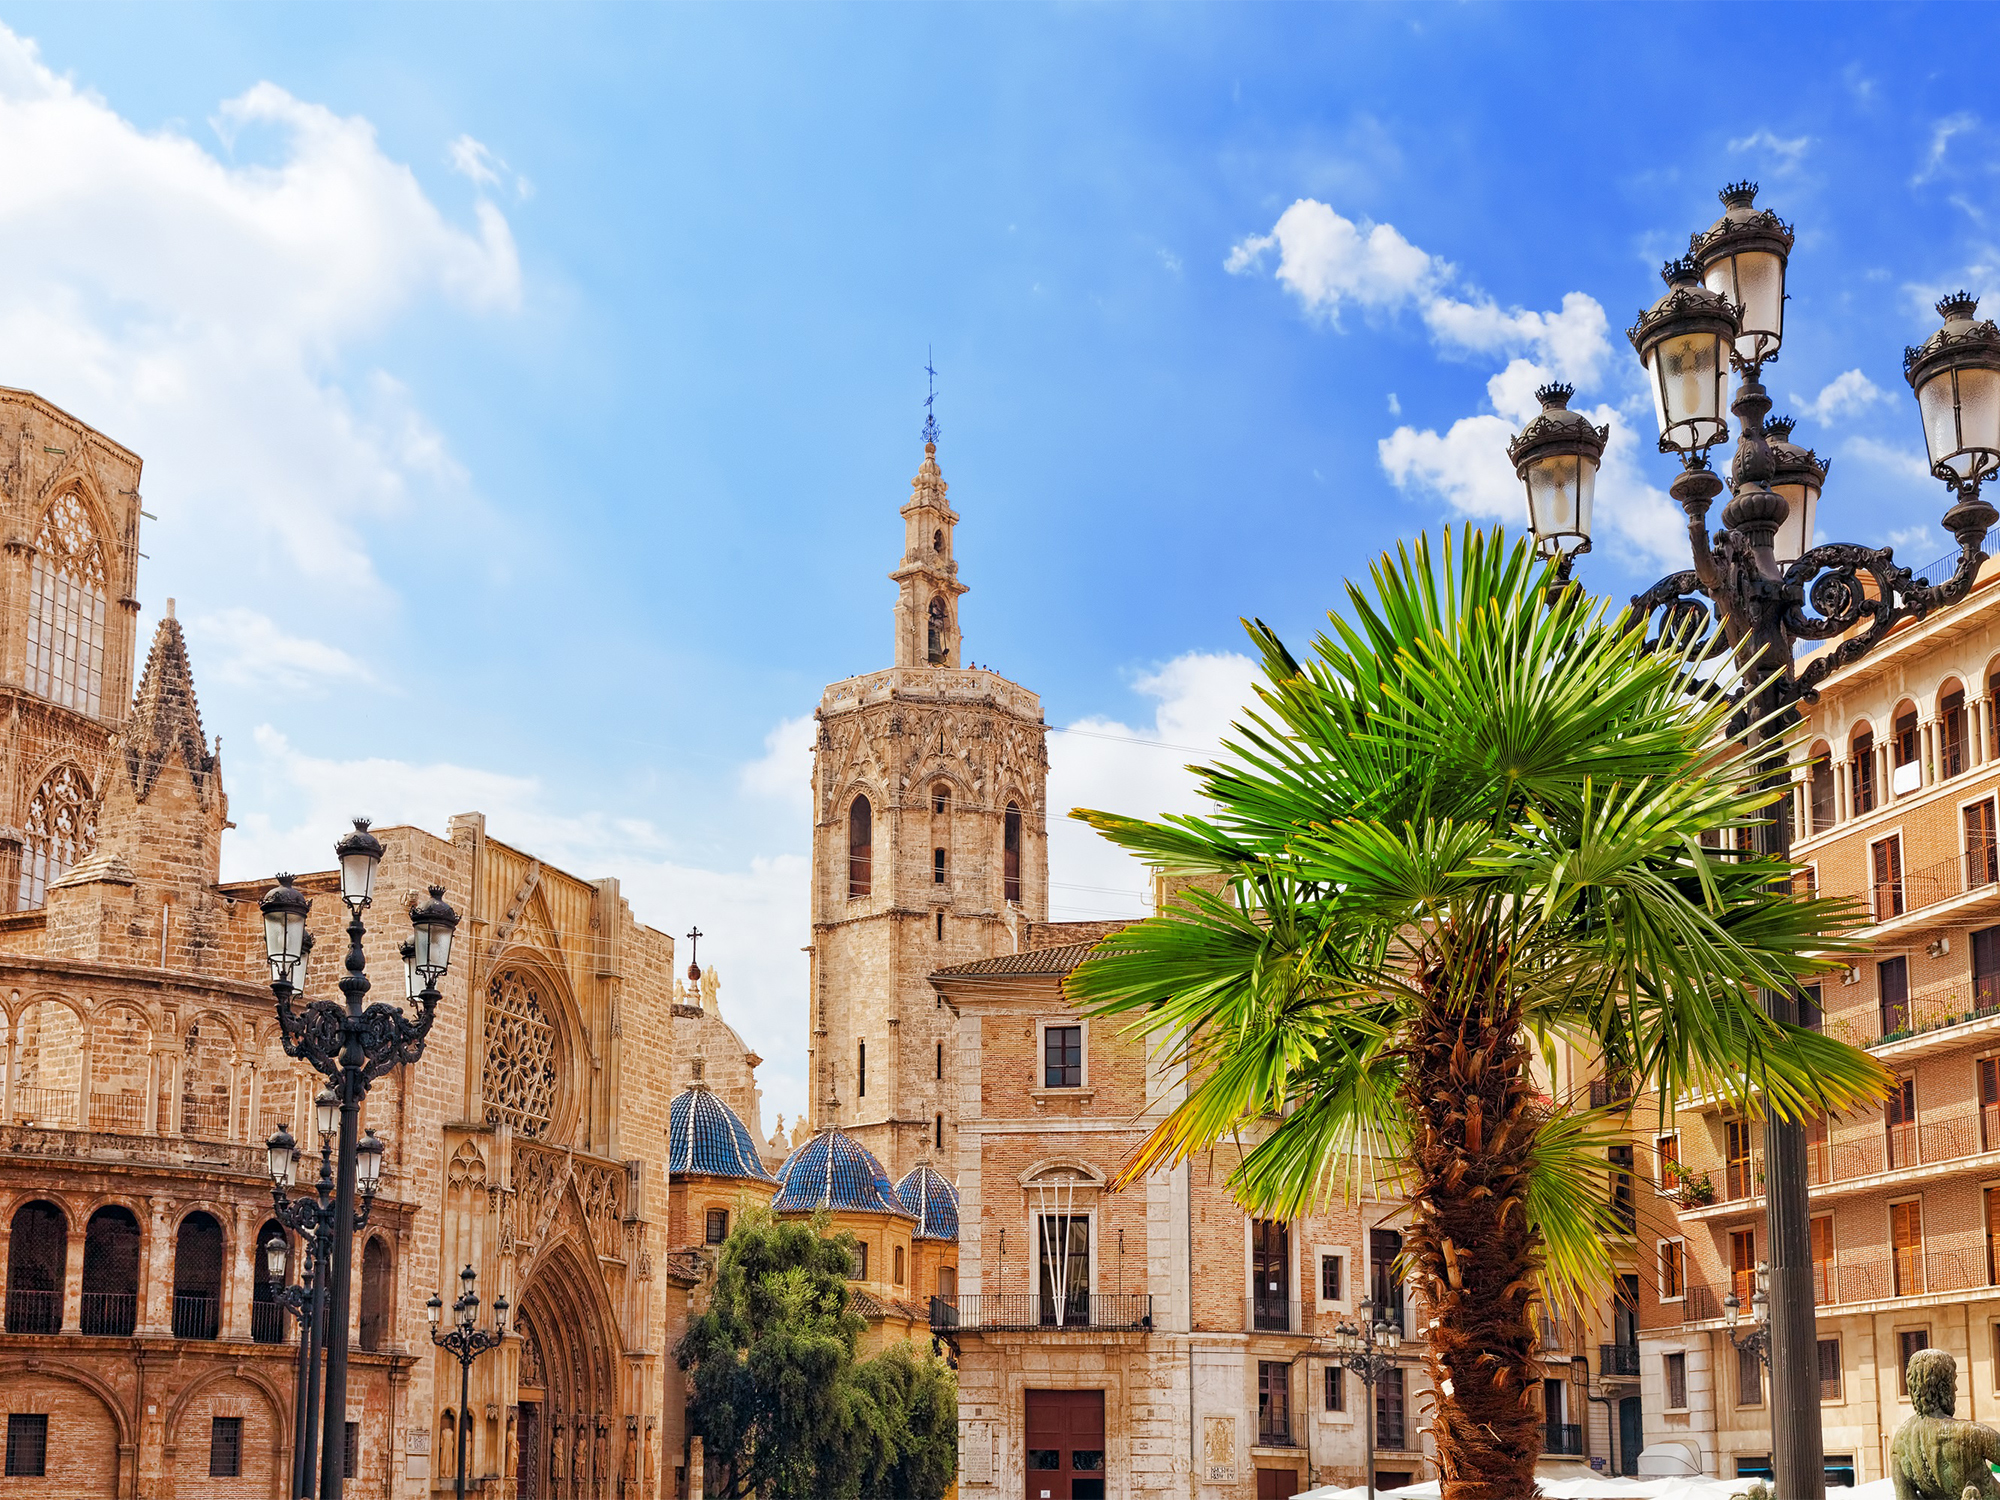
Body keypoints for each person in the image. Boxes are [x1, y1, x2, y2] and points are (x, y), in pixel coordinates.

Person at [1891, 1349, 2000, 1500]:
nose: (1956, 1389)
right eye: (1953, 1381)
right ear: (1943, 1387)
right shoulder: (1971, 1434)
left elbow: (1904, 1497)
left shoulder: (1899, 1444)